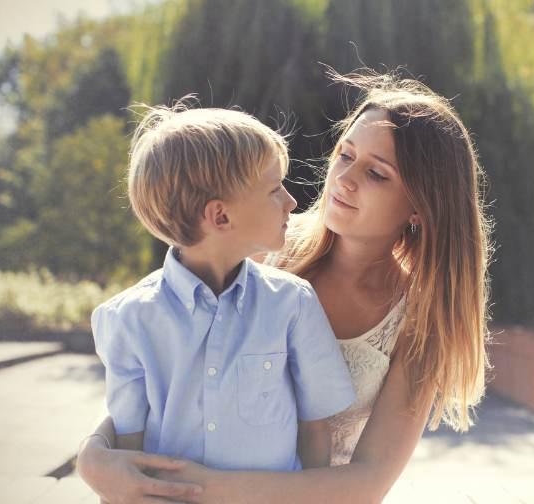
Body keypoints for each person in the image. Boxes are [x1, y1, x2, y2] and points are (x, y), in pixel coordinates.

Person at [77, 70, 492, 503]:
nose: (345, 178)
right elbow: (164, 373)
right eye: (346, 155)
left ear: (420, 207)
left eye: (377, 174)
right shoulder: (262, 244)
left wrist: (199, 489)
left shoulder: (421, 320)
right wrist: (94, 459)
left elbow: (368, 484)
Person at [88, 103, 356, 489]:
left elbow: (315, 429)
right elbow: (128, 450)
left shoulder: (292, 303)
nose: (291, 201)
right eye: (273, 188)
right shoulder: (126, 319)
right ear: (220, 217)